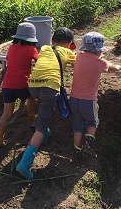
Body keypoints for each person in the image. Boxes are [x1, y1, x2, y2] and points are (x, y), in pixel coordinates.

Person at [16, 27, 76, 180]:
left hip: (33, 85)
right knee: (41, 124)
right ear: (69, 44)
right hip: (49, 88)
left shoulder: (44, 48)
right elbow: (79, 65)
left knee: (44, 110)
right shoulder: (68, 52)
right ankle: (24, 164)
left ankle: (45, 133)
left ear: (52, 41)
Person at [69, 32, 121, 160]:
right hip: (88, 101)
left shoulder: (79, 57)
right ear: (98, 51)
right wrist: (118, 66)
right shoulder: (100, 62)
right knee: (92, 122)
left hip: (73, 100)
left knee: (77, 127)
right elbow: (113, 67)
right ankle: (88, 146)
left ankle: (77, 152)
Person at [0, 22, 39, 147]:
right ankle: (31, 119)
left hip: (7, 86)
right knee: (31, 98)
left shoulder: (11, 47)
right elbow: (39, 60)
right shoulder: (32, 49)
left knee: (7, 113)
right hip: (23, 84)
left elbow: (9, 59)